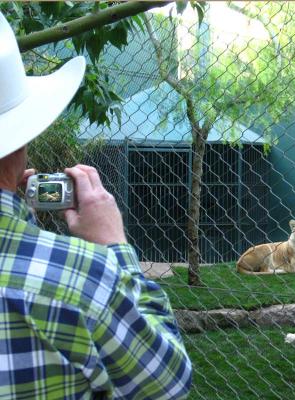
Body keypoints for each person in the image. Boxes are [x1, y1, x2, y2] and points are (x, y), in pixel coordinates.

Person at [0, 12, 192, 400]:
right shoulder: (83, 276)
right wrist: (113, 246)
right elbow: (168, 383)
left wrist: (25, 228)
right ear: (18, 142)